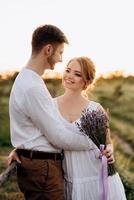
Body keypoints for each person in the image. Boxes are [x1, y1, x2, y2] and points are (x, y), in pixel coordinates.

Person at [8, 24, 114, 200]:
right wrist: (95, 143)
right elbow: (58, 136)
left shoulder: (29, 81)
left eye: (78, 74)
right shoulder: (33, 86)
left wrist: (24, 147)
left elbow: (40, 128)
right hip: (45, 169)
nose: (60, 59)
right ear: (48, 50)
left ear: (86, 81)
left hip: (58, 168)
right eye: (60, 53)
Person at [52, 56, 126, 200]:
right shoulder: (50, 106)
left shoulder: (95, 109)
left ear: (87, 82)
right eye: (68, 70)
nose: (69, 76)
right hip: (72, 178)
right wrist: (19, 149)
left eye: (77, 74)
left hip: (98, 176)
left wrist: (109, 151)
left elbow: (108, 142)